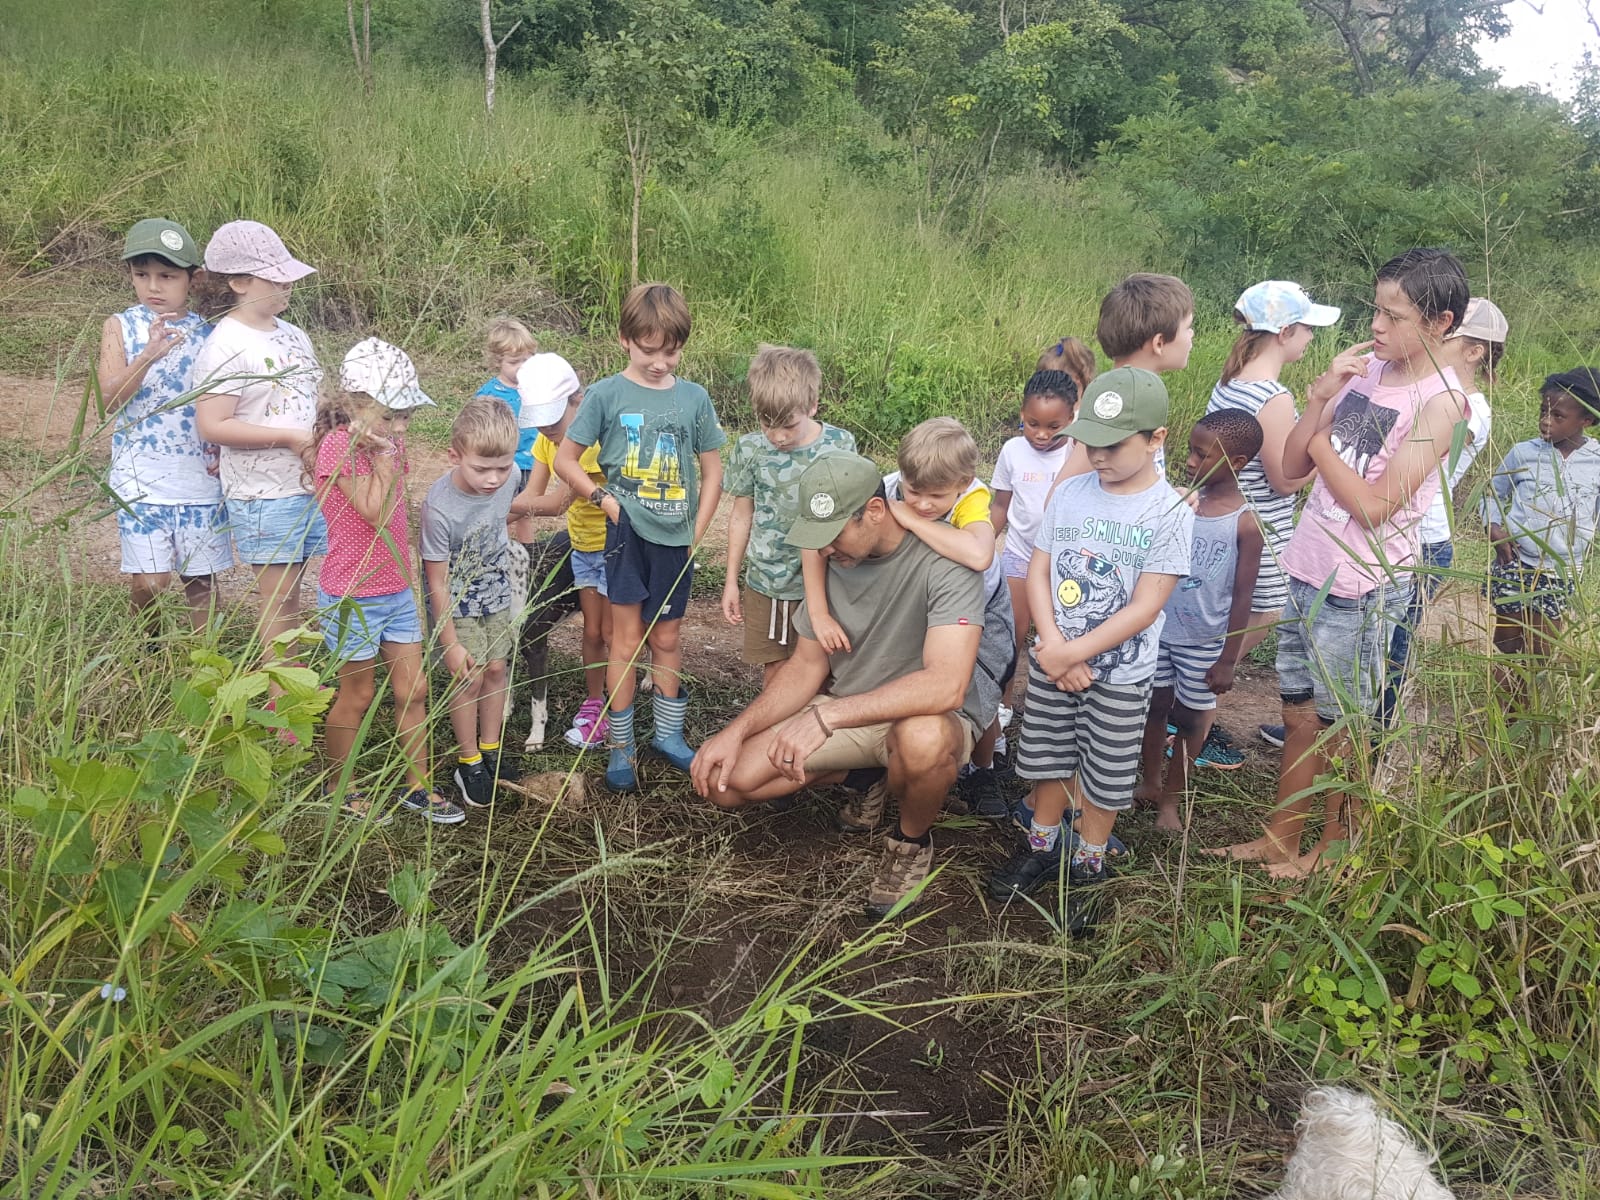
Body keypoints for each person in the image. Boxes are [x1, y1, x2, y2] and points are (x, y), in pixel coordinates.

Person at [1208, 247, 1470, 878]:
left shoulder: (1442, 403)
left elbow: (1376, 507)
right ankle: (1280, 837)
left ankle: (1333, 851)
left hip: (1362, 583)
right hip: (1309, 564)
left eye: (1393, 316)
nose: (1376, 326)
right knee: (1298, 710)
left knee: (1344, 725)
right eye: (1375, 310)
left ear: (1440, 323)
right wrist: (1322, 396)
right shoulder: (1369, 371)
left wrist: (1323, 437)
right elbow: (1291, 464)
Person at [690, 453, 986, 919]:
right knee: (723, 782)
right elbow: (807, 665)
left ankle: (910, 843)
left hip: (923, 716)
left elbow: (947, 685)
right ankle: (864, 778)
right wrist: (737, 730)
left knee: (922, 740)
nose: (825, 550)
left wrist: (825, 717)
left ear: (874, 511)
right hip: (849, 708)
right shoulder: (832, 559)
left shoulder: (946, 560)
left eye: (833, 535)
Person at [988, 368, 1193, 935]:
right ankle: (1042, 845)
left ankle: (1088, 866)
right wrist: (1052, 646)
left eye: (1113, 445)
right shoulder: (1071, 494)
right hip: (1055, 659)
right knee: (1047, 757)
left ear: (1156, 438)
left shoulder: (1170, 511)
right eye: (1089, 442)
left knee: (1104, 774)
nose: (1097, 456)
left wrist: (1070, 652)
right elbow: (1040, 569)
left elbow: (1145, 606)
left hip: (1119, 677)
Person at [554, 282, 726, 791]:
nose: (660, 363)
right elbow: (566, 459)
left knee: (667, 638)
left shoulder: (694, 399)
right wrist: (603, 500)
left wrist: (697, 532)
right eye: (649, 350)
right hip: (626, 537)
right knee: (626, 642)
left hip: (676, 539)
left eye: (671, 352)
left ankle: (668, 736)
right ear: (625, 339)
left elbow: (713, 470)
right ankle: (621, 747)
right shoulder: (605, 394)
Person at [311, 338, 463, 824]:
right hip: (352, 593)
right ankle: (339, 785)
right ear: (356, 403)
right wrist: (381, 461)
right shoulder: (337, 447)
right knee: (357, 694)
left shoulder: (390, 444)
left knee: (414, 690)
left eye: (406, 416)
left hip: (395, 588)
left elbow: (399, 511)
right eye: (390, 415)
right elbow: (374, 512)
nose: (399, 427)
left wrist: (387, 454)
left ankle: (417, 786)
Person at [190, 220, 326, 668]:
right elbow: (213, 424)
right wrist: (288, 437)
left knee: (301, 590)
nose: (287, 285)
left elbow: (311, 397)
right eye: (275, 278)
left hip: (308, 483)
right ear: (239, 282)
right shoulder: (225, 345)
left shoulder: (293, 334)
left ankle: (295, 682)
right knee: (279, 598)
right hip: (263, 493)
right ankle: (281, 694)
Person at [1376, 296, 1506, 727]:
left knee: (1394, 642)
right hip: (1395, 528)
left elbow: (1413, 458)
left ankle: (1374, 735)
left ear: (1474, 351)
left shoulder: (1471, 411)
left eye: (1447, 338)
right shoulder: (1431, 392)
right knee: (1366, 635)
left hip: (1423, 540)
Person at [99, 218, 231, 636]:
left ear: (194, 279)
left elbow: (228, 400)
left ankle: (203, 663)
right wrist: (147, 357)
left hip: (200, 479)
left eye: (167, 276)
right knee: (150, 581)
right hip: (139, 478)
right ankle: (147, 651)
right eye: (142, 275)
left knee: (201, 583)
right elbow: (108, 400)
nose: (153, 286)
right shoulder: (120, 326)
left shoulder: (213, 333)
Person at [1133, 411, 1264, 831]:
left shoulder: (1245, 523)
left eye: (1202, 455)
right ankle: (1150, 782)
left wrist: (1227, 659)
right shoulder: (1179, 502)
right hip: (1158, 630)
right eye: (1190, 450)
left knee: (1190, 721)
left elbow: (1243, 596)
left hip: (1203, 641)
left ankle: (1172, 802)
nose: (1190, 461)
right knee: (1154, 708)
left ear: (1238, 462)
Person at [722, 344, 856, 684]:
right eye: (766, 423)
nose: (778, 436)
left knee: (824, 667)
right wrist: (731, 580)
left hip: (827, 581)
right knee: (776, 670)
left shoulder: (840, 445)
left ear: (812, 405)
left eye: (789, 425)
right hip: (768, 581)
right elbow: (741, 516)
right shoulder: (750, 449)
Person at [421, 398, 524, 809]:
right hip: (457, 600)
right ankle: (468, 762)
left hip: (496, 588)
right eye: (481, 469)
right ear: (455, 456)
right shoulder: (439, 507)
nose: (494, 479)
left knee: (497, 669)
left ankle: (491, 749)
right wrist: (449, 643)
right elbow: (436, 580)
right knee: (469, 677)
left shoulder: (511, 476)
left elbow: (503, 517)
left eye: (503, 467)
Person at [514, 352, 613, 748]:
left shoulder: (591, 442)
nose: (547, 430)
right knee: (593, 630)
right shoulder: (546, 439)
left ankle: (620, 705)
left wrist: (495, 510)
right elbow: (531, 496)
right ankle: (596, 702)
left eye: (553, 421)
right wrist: (489, 514)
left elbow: (556, 503)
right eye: (540, 421)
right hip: (583, 546)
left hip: (615, 546)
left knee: (614, 631)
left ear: (577, 401)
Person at [1482, 367, 1600, 675]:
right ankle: (1505, 697)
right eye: (1543, 412)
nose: (1546, 421)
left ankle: (1528, 698)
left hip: (1561, 570)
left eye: (1558, 416)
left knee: (1541, 650)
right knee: (1507, 644)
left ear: (1586, 420)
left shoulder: (1596, 462)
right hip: (1515, 562)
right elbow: (1492, 493)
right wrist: (1493, 527)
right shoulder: (1524, 453)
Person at [991, 354, 1089, 710]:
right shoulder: (1012, 451)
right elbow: (1000, 506)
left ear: (1072, 418)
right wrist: (982, 543)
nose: (1042, 434)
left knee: (1062, 634)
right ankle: (1002, 706)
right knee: (1011, 635)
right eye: (1033, 424)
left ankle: (1052, 707)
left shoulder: (1079, 455)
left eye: (1053, 426)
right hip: (1019, 555)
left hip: (1064, 563)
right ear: (1022, 413)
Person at [474, 317, 540, 492]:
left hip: (532, 462)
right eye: (514, 362)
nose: (521, 367)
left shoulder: (538, 388)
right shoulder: (489, 393)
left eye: (526, 360)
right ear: (498, 361)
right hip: (501, 464)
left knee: (527, 504)